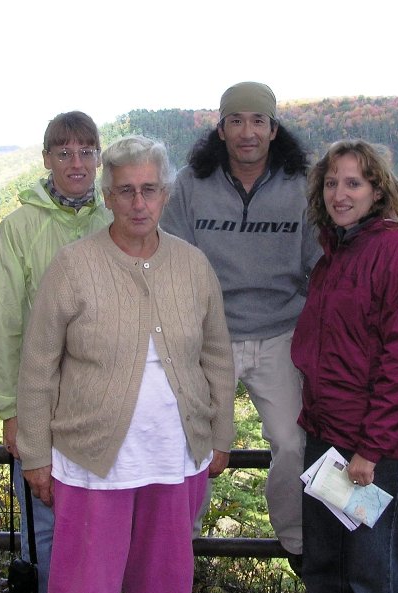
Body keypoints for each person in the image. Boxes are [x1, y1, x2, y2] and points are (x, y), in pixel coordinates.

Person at [15, 135, 236, 593]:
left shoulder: (193, 266)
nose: (139, 203)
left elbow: (217, 355)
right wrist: (35, 454)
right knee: (84, 587)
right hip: (94, 459)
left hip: (176, 457)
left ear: (165, 194)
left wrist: (221, 437)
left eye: (150, 189)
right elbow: (39, 365)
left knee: (163, 585)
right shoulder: (74, 266)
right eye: (126, 190)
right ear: (108, 196)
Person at [160, 81, 320, 568]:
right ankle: (177, 547)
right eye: (236, 121)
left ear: (274, 129)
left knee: (293, 443)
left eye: (257, 121)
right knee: (192, 442)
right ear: (221, 128)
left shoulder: (304, 183)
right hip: (211, 335)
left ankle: (296, 542)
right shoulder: (191, 183)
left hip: (281, 331)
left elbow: (320, 264)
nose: (246, 132)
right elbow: (173, 258)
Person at [0, 111, 112, 593]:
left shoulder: (118, 219)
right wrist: (10, 412)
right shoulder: (18, 228)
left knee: (106, 529)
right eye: (64, 152)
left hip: (108, 407)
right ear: (46, 159)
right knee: (46, 527)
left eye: (86, 152)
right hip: (42, 408)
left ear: (98, 158)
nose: (76, 163)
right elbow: (0, 325)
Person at [290, 140, 398, 593]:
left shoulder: (397, 253)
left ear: (378, 191)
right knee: (327, 573)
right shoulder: (335, 254)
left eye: (353, 183)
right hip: (327, 442)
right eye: (331, 183)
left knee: (371, 578)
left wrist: (370, 452)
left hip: (375, 451)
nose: (340, 194)